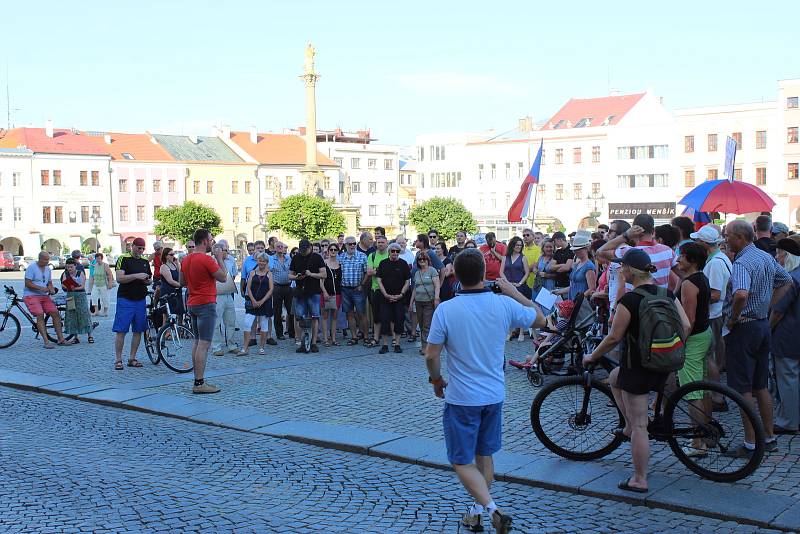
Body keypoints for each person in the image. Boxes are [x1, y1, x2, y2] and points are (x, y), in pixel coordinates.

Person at [425, 249, 545, 533]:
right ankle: (477, 512)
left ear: (455, 276)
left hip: (462, 397)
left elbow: (431, 355)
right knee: (484, 455)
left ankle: (492, 510)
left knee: (460, 460)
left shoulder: (446, 309)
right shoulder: (502, 304)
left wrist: (436, 381)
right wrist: (513, 291)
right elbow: (540, 319)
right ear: (485, 274)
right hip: (494, 394)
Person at [583, 248, 691, 493]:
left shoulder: (630, 300)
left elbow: (613, 337)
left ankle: (640, 478)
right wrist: (670, 349)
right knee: (613, 377)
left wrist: (592, 356)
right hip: (663, 363)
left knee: (641, 426)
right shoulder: (667, 293)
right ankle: (629, 426)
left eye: (622, 268)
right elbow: (684, 324)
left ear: (630, 270)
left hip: (638, 366)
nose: (620, 271)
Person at [722, 219, 792, 456]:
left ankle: (751, 443)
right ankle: (769, 437)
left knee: (743, 388)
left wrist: (732, 319)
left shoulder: (742, 262)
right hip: (761, 325)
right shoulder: (764, 256)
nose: (725, 238)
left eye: (728, 234)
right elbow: (786, 281)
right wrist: (768, 306)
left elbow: (741, 294)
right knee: (761, 386)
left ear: (740, 238)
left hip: (745, 327)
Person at [675, 242, 713, 456]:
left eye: (682, 256)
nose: (678, 259)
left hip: (694, 338)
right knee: (701, 386)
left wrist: (678, 344)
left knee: (691, 391)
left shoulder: (690, 283)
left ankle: (698, 443)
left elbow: (687, 321)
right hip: (703, 334)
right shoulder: (701, 278)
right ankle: (705, 433)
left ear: (693, 261)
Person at [180, 229, 228, 393]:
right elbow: (223, 277)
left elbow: (182, 281)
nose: (213, 242)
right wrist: (220, 258)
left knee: (197, 342)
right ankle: (199, 383)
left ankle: (197, 380)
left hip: (192, 302)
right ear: (205, 241)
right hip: (206, 303)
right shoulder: (206, 259)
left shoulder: (186, 259)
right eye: (211, 239)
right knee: (204, 344)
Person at [691, 225, 731, 405]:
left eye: (697, 241)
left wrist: (693, 299)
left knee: (708, 357)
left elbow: (714, 294)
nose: (695, 243)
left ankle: (716, 396)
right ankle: (714, 394)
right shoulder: (718, 258)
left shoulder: (715, 263)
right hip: (715, 314)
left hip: (713, 315)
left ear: (704, 244)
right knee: (710, 356)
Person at [597, 214, 676, 289]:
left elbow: (599, 251)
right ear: (653, 230)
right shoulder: (668, 251)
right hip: (660, 301)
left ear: (633, 230)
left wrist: (626, 235)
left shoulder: (629, 252)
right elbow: (682, 275)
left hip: (634, 301)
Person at [771, 238, 800, 434]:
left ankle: (788, 421)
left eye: (779, 254)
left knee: (788, 378)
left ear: (787, 256)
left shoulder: (791, 279)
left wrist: (767, 328)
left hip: (788, 335)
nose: (777, 258)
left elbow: (778, 311)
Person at [113, 237, 152, 369]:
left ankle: (132, 358)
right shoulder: (123, 258)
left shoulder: (145, 261)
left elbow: (148, 278)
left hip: (140, 299)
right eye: (138, 248)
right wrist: (136, 276)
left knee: (138, 330)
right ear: (132, 246)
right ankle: (118, 359)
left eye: (142, 249)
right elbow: (119, 278)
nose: (140, 251)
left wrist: (147, 281)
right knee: (121, 330)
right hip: (125, 298)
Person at [23, 251, 70, 348]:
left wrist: (51, 289)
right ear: (39, 259)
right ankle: (46, 342)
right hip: (31, 295)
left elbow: (49, 283)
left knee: (55, 313)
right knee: (40, 314)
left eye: (48, 259)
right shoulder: (31, 268)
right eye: (45, 260)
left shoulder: (48, 269)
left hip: (44, 296)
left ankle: (61, 339)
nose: (47, 261)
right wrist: (40, 288)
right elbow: (27, 283)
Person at [289, 239, 327, 353]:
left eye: (305, 250)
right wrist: (297, 277)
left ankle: (314, 343)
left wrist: (311, 274)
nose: (303, 252)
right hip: (300, 291)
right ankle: (302, 343)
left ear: (310, 247)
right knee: (299, 317)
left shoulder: (317, 257)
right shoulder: (296, 257)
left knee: (315, 317)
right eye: (301, 250)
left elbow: (324, 274)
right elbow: (290, 275)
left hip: (314, 291)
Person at [376, 243, 411, 353]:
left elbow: (407, 281)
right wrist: (385, 294)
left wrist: (401, 294)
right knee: (385, 319)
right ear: (389, 252)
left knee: (399, 319)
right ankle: (385, 344)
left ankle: (397, 344)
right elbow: (379, 280)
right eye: (393, 251)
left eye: (397, 251)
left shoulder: (403, 264)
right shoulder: (383, 263)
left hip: (399, 297)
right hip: (385, 297)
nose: (395, 253)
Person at [240, 252, 275, 355]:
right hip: (253, 302)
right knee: (247, 323)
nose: (262, 263)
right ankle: (245, 348)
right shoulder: (252, 273)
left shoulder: (269, 274)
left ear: (267, 262)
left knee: (264, 325)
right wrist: (254, 300)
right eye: (260, 260)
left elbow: (271, 289)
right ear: (257, 261)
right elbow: (248, 288)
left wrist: (262, 301)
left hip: (265, 302)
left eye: (264, 261)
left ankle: (261, 347)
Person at [211, 241, 240, 356]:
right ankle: (216, 347)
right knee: (216, 322)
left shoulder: (231, 260)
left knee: (231, 320)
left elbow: (233, 275)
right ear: (218, 251)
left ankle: (232, 345)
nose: (227, 252)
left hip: (228, 293)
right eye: (225, 250)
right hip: (217, 294)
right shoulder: (212, 261)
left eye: (227, 250)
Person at [338, 236, 369, 345]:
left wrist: (362, 284)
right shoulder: (340, 257)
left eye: (354, 243)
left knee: (362, 313)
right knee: (349, 314)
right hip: (345, 289)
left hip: (358, 289)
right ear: (345, 245)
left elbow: (367, 273)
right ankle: (354, 337)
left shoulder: (362, 256)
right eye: (349, 244)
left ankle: (365, 336)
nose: (352, 246)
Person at [409, 251, 439, 355]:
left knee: (427, 324)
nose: (422, 261)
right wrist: (411, 302)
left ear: (427, 260)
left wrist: (436, 298)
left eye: (424, 259)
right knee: (421, 325)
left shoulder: (432, 271)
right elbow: (414, 289)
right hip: (418, 301)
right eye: (420, 259)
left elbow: (437, 285)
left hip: (428, 301)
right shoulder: (417, 273)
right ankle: (424, 345)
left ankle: (426, 347)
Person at [60, 258, 94, 344]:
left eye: (71, 267)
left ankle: (90, 335)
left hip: (80, 295)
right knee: (72, 315)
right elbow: (63, 285)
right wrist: (67, 286)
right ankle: (75, 337)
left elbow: (82, 286)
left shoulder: (80, 273)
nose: (69, 269)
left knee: (84, 315)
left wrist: (74, 287)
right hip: (70, 296)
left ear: (75, 266)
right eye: (68, 267)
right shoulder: (65, 273)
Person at [366, 236, 390, 349]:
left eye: (382, 242)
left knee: (390, 315)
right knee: (376, 316)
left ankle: (394, 339)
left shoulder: (390, 254)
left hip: (389, 290)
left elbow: (391, 271)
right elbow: (369, 272)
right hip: (375, 289)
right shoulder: (372, 255)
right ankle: (376, 338)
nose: (380, 244)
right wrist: (382, 271)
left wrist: (378, 271)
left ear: (387, 243)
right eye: (378, 242)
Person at [556, 235, 596, 302]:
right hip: (573, 300)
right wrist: (559, 291)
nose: (575, 252)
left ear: (586, 249)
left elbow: (592, 289)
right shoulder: (577, 264)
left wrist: (578, 300)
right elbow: (573, 286)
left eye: (578, 250)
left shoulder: (589, 266)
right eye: (574, 250)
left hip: (581, 304)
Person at [270, 242, 294, 341]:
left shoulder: (289, 258)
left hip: (288, 287)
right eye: (278, 247)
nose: (280, 248)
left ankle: (292, 332)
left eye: (282, 246)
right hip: (277, 287)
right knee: (277, 311)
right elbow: (269, 272)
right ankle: (279, 333)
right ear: (275, 248)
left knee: (291, 310)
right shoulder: (271, 259)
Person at [321, 243, 342, 347]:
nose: (333, 251)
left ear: (338, 251)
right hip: (326, 293)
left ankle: (333, 338)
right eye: (331, 250)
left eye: (335, 250)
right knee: (325, 316)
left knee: (334, 316)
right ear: (328, 251)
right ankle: (325, 339)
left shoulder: (340, 264)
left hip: (337, 294)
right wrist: (324, 292)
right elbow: (320, 281)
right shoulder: (324, 264)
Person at [159, 247, 185, 326]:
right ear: (166, 256)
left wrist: (177, 263)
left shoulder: (174, 264)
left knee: (180, 311)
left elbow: (180, 274)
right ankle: (165, 332)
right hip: (168, 291)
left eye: (174, 254)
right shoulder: (164, 267)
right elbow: (170, 281)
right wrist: (181, 285)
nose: (173, 256)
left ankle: (180, 329)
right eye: (171, 254)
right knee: (167, 313)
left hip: (176, 291)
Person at [87, 252, 114, 317]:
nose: (98, 260)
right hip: (96, 284)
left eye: (99, 258)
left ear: (101, 258)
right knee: (93, 296)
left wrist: (110, 283)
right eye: (96, 258)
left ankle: (105, 311)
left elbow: (110, 274)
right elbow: (93, 274)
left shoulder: (105, 265)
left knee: (105, 298)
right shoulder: (95, 265)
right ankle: (96, 311)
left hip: (104, 284)